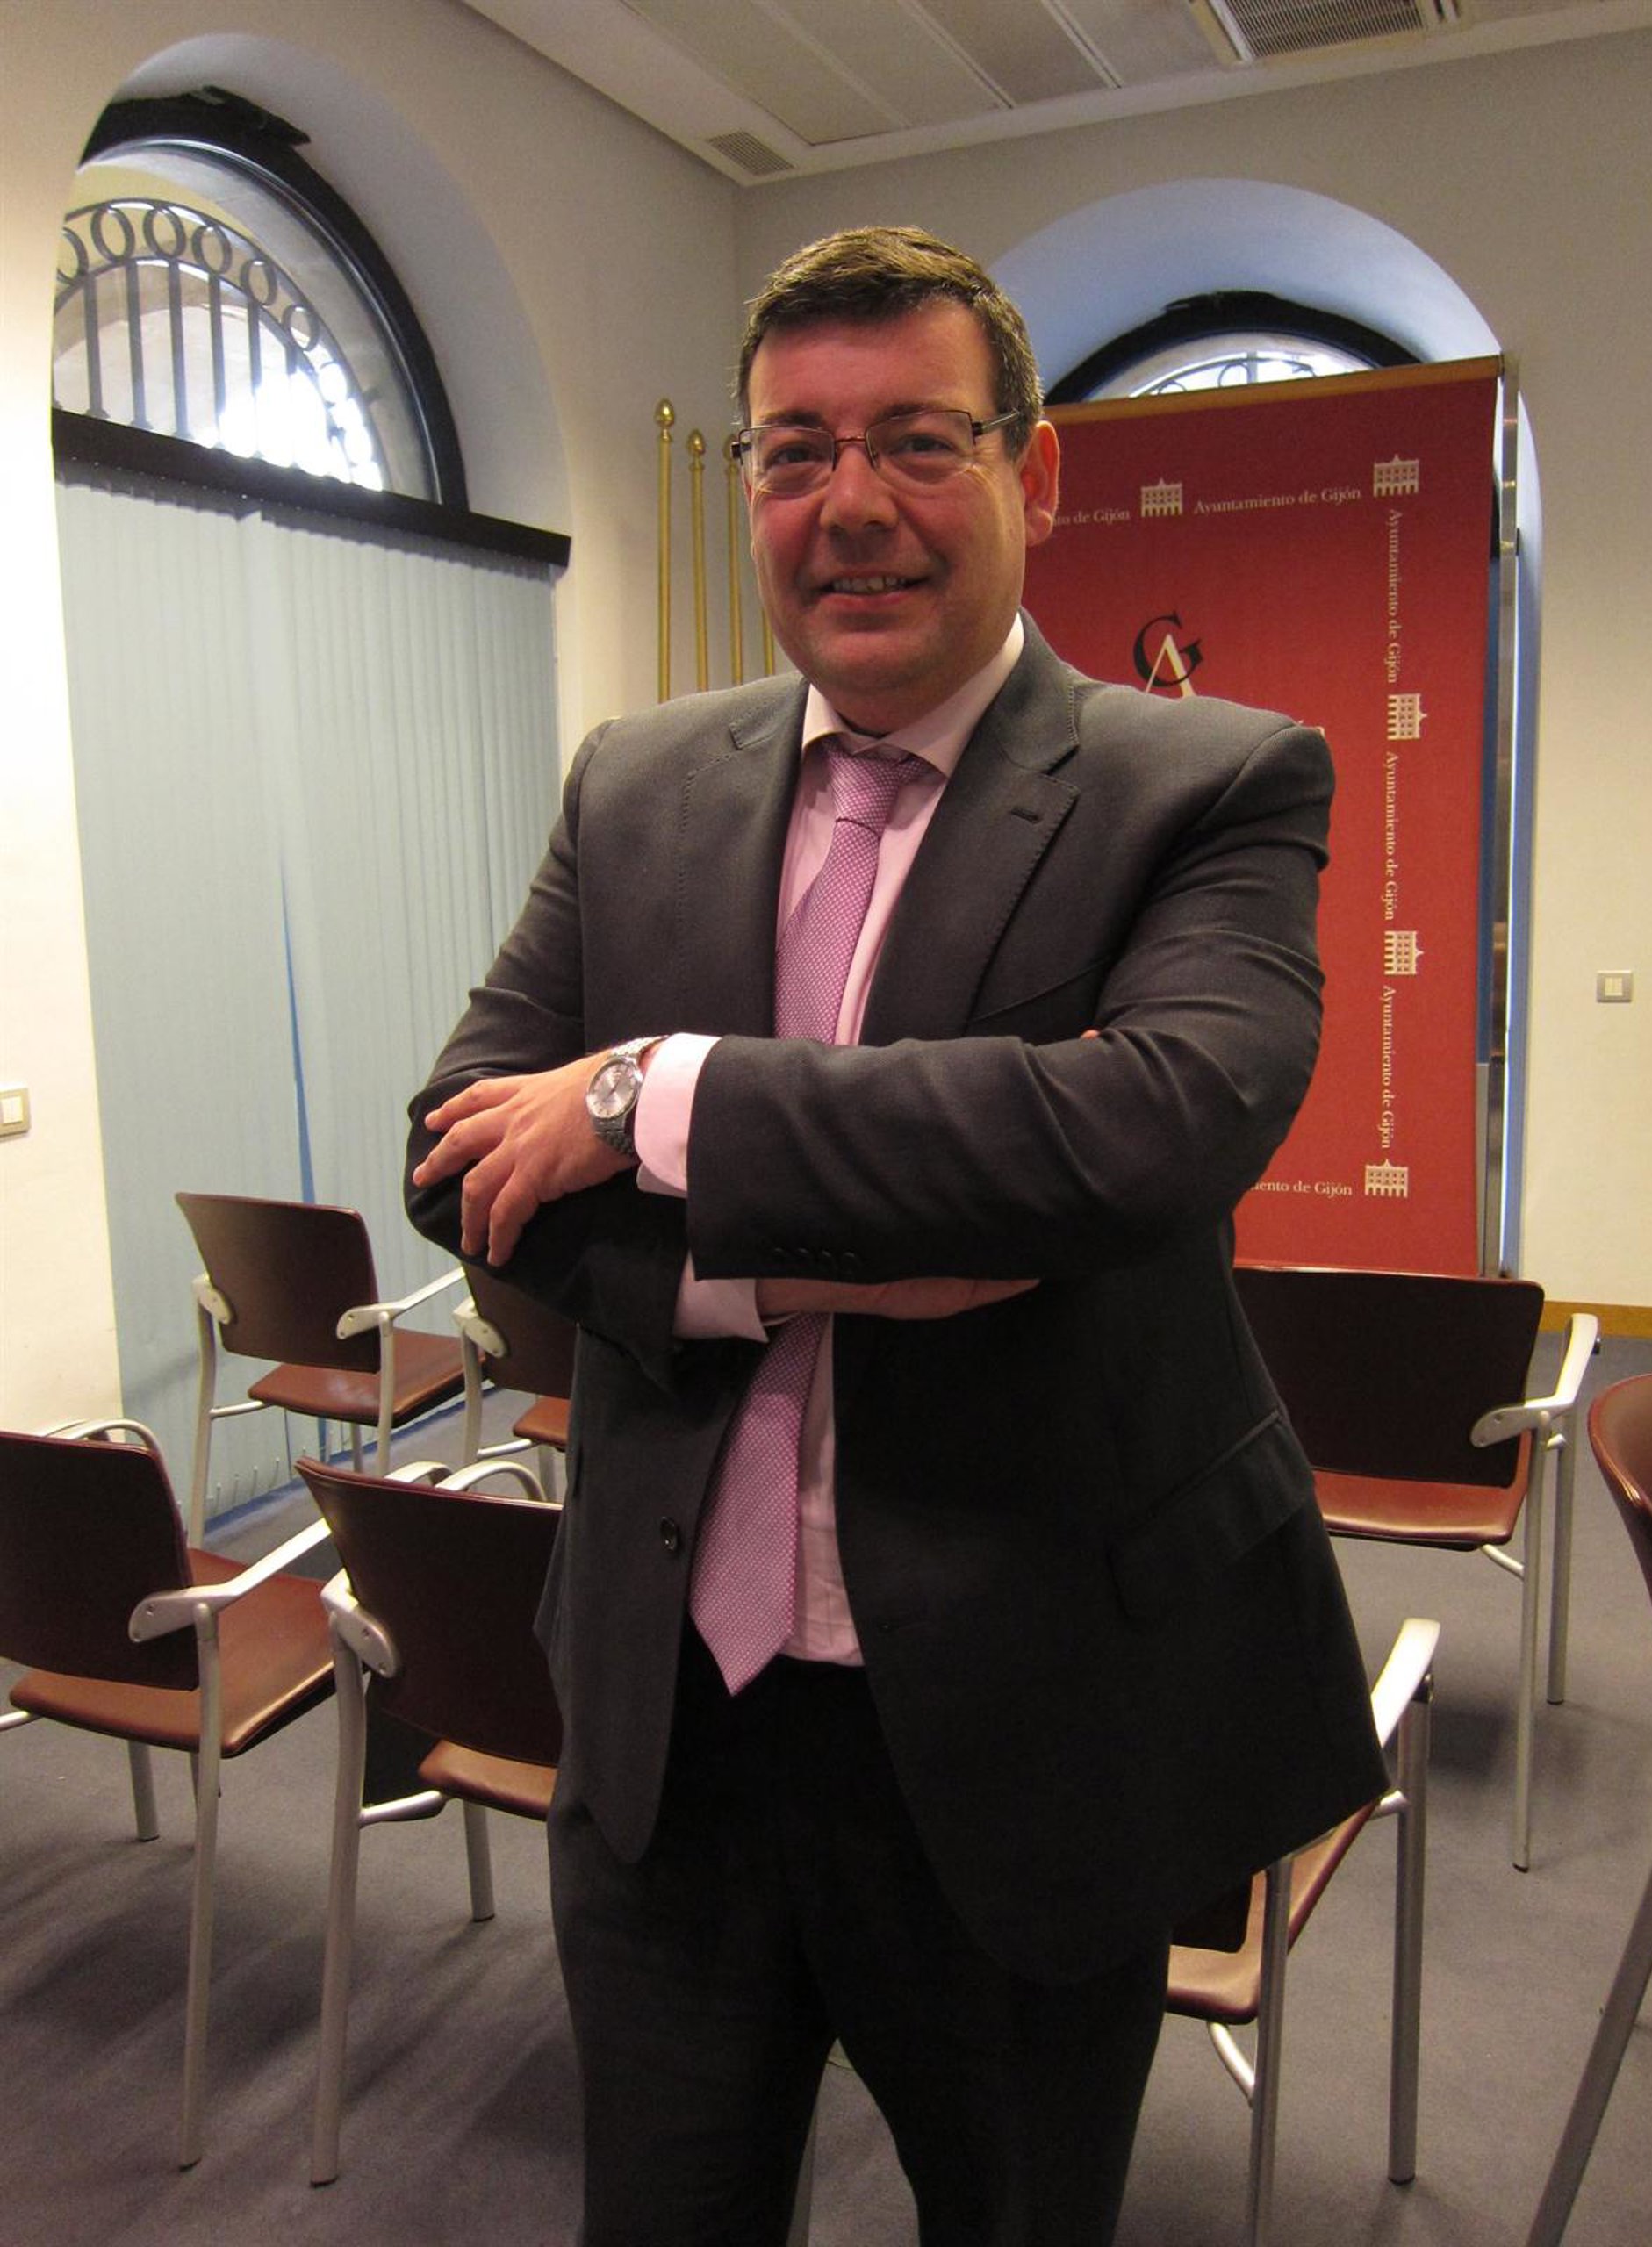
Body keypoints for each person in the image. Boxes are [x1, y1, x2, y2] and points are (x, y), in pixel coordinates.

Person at [406, 225, 1385, 2247]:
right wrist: (790, 1264)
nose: (850, 504)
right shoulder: (637, 785)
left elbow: (1140, 1133)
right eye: (796, 452)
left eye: (917, 442)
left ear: (1038, 474)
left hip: (1027, 1740)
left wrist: (650, 1096)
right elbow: (456, 1156)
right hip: (673, 1730)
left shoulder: (1210, 783)